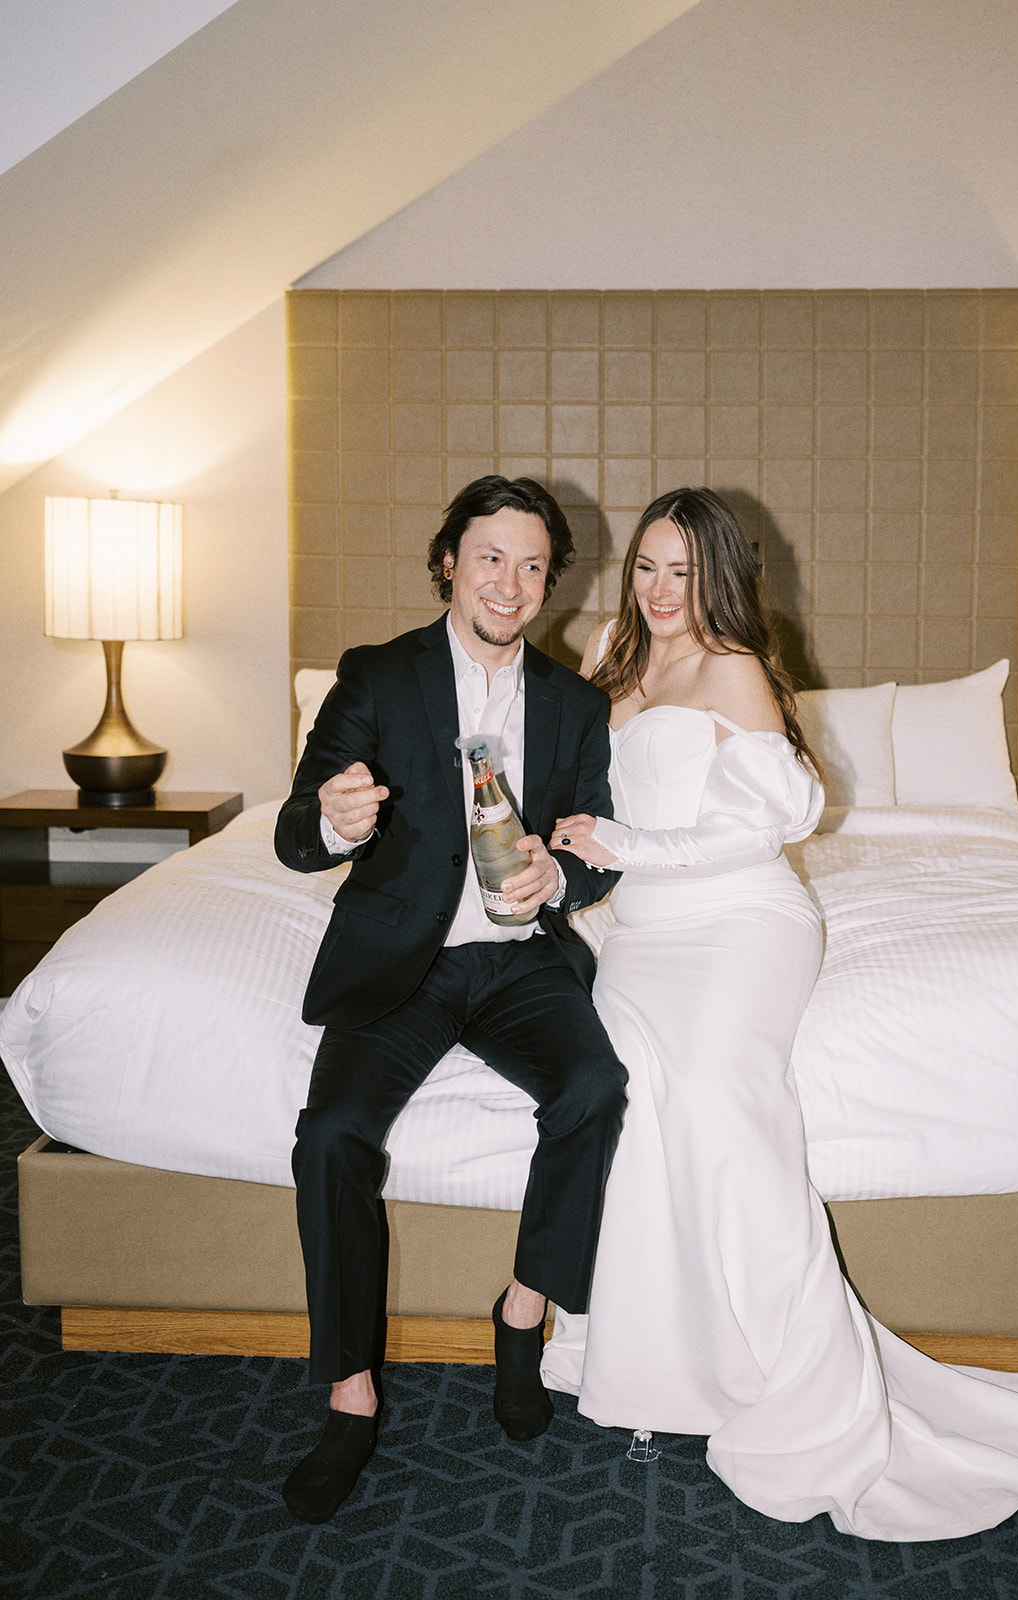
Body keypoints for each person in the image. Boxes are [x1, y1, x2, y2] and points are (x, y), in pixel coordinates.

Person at [539, 486, 1018, 1541]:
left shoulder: (734, 668)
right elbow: (589, 781)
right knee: (624, 1095)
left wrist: (622, 845)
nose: (658, 590)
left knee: (713, 1096)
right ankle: (658, 1366)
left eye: (681, 572)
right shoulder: (613, 651)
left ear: (719, 578)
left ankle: (783, 1372)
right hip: (642, 932)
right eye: (645, 566)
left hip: (738, 922)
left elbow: (768, 825)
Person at [274, 475, 627, 1524]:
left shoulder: (575, 703)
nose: (509, 584)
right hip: (404, 963)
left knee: (596, 1088)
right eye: (489, 558)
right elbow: (298, 832)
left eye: (530, 565)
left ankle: (523, 1313)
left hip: (518, 963)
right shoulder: (379, 676)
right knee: (330, 1132)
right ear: (449, 562)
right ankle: (349, 1395)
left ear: (548, 581)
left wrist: (560, 878)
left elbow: (597, 842)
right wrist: (337, 821)